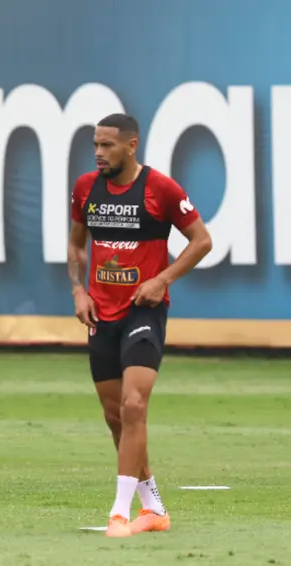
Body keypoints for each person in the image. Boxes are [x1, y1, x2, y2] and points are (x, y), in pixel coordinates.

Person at [67, 113, 213, 538]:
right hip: (100, 313)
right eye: (96, 145)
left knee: (134, 406)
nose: (98, 153)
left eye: (107, 145)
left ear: (131, 146)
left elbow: (201, 240)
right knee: (116, 417)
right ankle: (153, 508)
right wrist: (78, 290)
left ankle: (118, 513)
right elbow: (76, 244)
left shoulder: (160, 189)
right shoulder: (85, 188)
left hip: (143, 311)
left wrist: (162, 279)